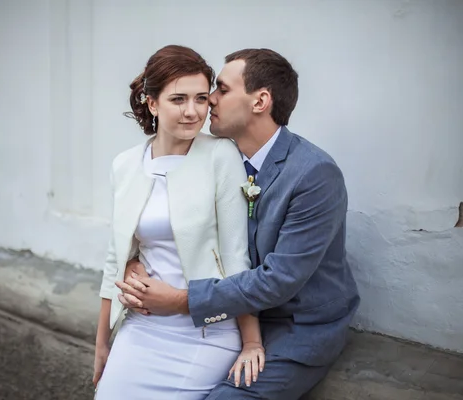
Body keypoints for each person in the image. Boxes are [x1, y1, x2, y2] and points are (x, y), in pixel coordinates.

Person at [117, 48, 361, 399]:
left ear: (260, 101)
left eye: (222, 90)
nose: (209, 100)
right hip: (228, 318)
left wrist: (179, 301)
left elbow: (279, 281)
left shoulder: (313, 174)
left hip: (293, 326)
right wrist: (134, 264)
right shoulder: (214, 159)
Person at [93, 45, 266, 400]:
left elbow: (236, 256)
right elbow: (116, 256)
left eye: (201, 99)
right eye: (178, 99)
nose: (192, 112)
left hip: (204, 333)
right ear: (152, 103)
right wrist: (101, 344)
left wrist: (251, 342)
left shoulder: (220, 155)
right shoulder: (125, 165)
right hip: (140, 328)